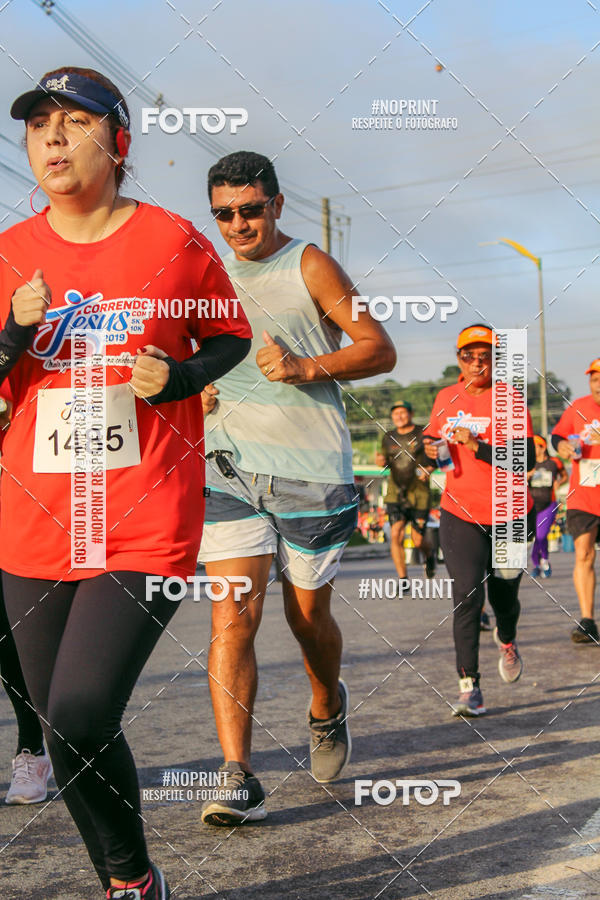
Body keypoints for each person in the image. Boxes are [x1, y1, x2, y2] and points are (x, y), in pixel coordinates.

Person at [2, 68, 251, 898]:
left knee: (79, 711)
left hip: (145, 518)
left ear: (120, 143)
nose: (54, 139)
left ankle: (123, 880)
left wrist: (181, 378)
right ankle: (135, 881)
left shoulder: (175, 242)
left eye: (75, 123)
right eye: (40, 125)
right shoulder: (8, 256)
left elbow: (228, 337)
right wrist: (14, 332)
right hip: (33, 522)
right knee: (60, 728)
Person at [198, 151, 396, 824]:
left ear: (277, 205)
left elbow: (378, 347)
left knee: (306, 617)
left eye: (250, 210)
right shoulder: (204, 271)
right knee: (232, 616)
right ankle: (236, 773)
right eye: (224, 213)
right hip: (226, 468)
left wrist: (308, 365)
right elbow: (193, 355)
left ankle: (326, 702)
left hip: (311, 469)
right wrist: (190, 388)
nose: (238, 225)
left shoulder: (310, 263)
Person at [424, 324, 535, 717]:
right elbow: (431, 443)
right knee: (467, 595)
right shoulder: (446, 397)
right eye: (468, 355)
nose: (476, 362)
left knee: (505, 597)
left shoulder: (510, 399)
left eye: (484, 355)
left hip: (511, 513)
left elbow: (527, 461)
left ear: (496, 360)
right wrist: (429, 452)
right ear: (458, 359)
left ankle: (506, 637)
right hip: (460, 512)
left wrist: (477, 445)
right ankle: (469, 686)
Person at [552, 358, 600, 643]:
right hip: (583, 493)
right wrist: (562, 445)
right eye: (594, 379)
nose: (598, 384)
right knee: (584, 553)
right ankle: (587, 621)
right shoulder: (578, 407)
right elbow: (557, 434)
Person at [376, 401, 436, 578]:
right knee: (396, 534)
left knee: (418, 540)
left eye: (403, 413)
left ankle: (429, 554)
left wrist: (429, 470)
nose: (399, 417)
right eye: (395, 414)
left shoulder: (423, 433)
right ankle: (403, 578)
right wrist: (381, 462)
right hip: (396, 492)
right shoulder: (388, 437)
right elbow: (387, 461)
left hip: (419, 492)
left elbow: (435, 458)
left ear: (410, 414)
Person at [528, 435, 567, 578]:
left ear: (542, 447)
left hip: (549, 505)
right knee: (535, 537)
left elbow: (564, 476)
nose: (532, 450)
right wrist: (527, 476)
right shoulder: (528, 463)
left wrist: (560, 482)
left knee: (541, 535)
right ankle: (537, 565)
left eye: (535, 447)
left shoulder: (554, 462)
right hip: (531, 506)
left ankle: (543, 561)